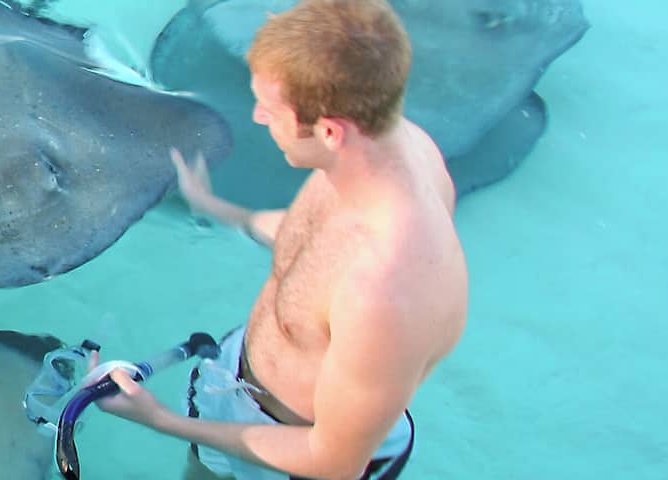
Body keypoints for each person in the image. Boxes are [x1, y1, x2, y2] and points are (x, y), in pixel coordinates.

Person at [87, 1, 469, 479]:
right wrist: (222, 209)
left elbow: (334, 461)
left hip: (291, 460)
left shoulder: (389, 293)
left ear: (330, 131)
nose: (259, 118)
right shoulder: (385, 147)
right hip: (238, 391)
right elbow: (314, 238)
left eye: (271, 108)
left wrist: (161, 420)